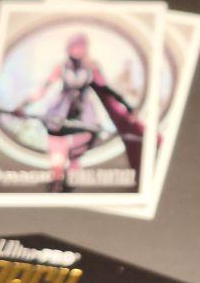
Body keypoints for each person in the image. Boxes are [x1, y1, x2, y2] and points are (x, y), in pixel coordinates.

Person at [16, 32, 143, 191]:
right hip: (60, 112)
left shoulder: (91, 67)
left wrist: (127, 106)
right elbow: (43, 89)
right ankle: (55, 182)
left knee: (75, 155)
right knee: (57, 155)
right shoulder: (61, 67)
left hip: (83, 115)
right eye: (74, 46)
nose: (76, 50)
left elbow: (106, 89)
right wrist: (23, 106)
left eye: (80, 46)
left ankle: (69, 184)